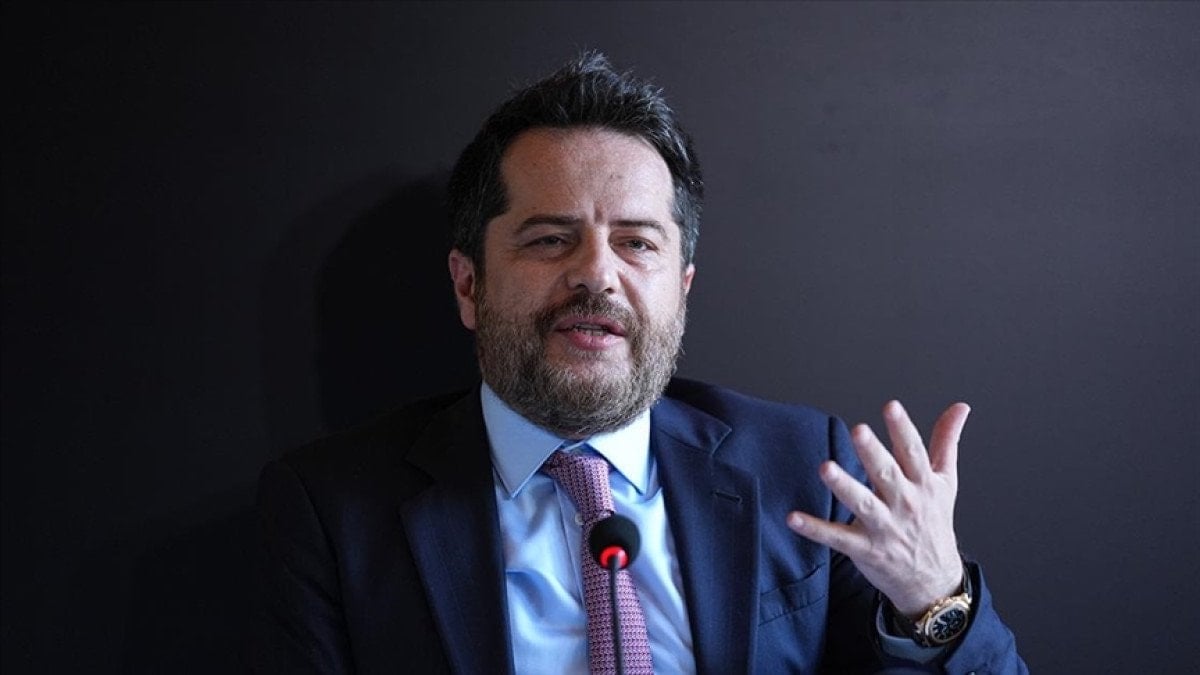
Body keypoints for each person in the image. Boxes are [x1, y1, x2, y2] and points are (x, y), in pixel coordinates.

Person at [256, 52, 1026, 674]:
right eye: (550, 239)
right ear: (468, 284)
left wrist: (934, 594)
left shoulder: (803, 466)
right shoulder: (333, 511)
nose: (597, 274)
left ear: (681, 287)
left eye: (636, 242)